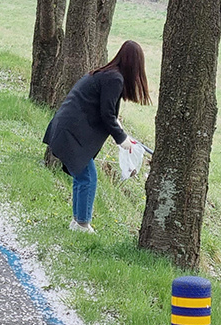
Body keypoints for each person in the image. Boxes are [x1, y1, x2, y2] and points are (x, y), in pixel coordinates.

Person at [43, 41, 150, 233]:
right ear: (134, 65)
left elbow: (104, 110)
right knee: (87, 177)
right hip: (70, 131)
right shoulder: (114, 79)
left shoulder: (108, 74)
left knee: (81, 175)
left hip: (66, 127)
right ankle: (82, 224)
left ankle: (77, 222)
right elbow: (106, 115)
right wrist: (121, 139)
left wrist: (119, 129)